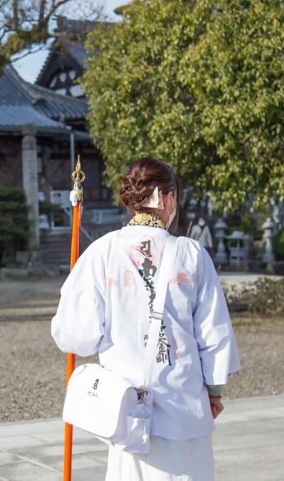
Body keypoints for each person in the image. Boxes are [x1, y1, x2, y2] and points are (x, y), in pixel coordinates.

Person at [51, 156, 240, 481]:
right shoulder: (191, 254)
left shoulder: (102, 252)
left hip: (124, 409)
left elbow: (74, 336)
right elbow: (214, 334)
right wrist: (214, 391)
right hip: (184, 407)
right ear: (167, 197)